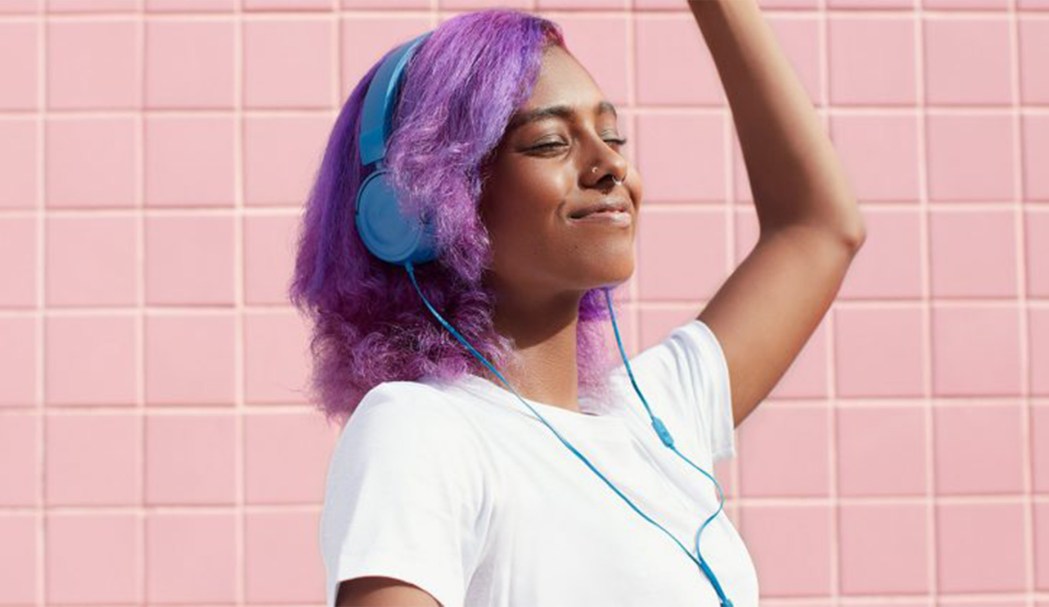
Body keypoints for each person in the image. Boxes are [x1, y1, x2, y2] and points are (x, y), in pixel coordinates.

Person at [290, 3, 865, 607]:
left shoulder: (656, 419)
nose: (610, 164)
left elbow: (819, 228)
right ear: (418, 207)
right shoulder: (419, 429)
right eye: (550, 142)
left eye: (612, 135)